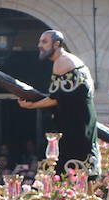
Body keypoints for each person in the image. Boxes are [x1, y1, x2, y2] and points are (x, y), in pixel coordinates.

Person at [17, 29, 99, 176]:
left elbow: (56, 98)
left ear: (57, 44)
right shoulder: (71, 60)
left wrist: (32, 106)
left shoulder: (62, 62)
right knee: (82, 168)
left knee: (72, 168)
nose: (40, 45)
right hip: (82, 121)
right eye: (40, 41)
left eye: (44, 42)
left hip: (76, 125)